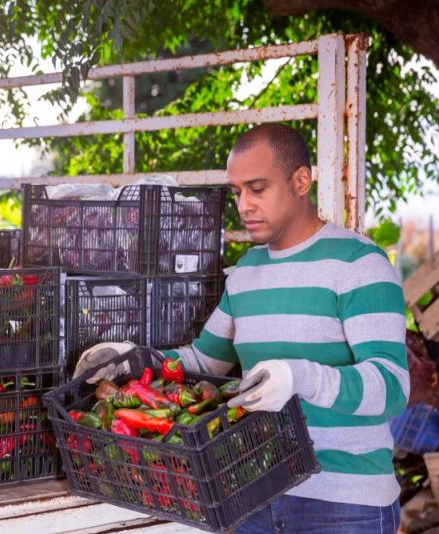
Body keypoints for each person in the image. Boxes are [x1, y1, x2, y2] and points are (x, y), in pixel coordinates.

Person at [74, 123, 408, 533]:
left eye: (258, 188)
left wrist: (299, 375)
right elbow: (204, 361)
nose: (244, 204)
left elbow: (392, 386)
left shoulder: (360, 264)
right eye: (237, 192)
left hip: (343, 503)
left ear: (301, 181)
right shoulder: (247, 271)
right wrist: (129, 358)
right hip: (255, 493)